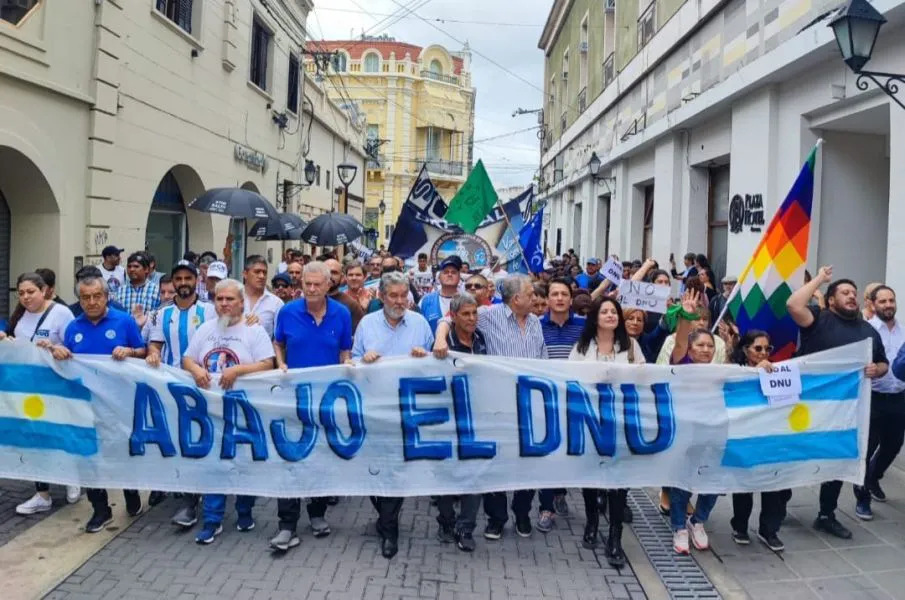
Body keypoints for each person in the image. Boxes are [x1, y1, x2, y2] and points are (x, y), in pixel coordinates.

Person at [434, 274, 547, 541]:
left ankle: (522, 513)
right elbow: (451, 317)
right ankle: (497, 519)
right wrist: (440, 338)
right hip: (497, 404)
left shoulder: (535, 323)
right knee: (496, 461)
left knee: (527, 461)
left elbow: (543, 357)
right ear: (516, 298)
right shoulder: (488, 314)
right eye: (531, 294)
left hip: (528, 404)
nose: (535, 298)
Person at [786, 266, 888, 539]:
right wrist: (820, 278)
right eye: (844, 292)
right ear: (831, 300)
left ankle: (826, 514)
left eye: (854, 293)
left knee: (838, 459)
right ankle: (777, 505)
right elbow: (793, 304)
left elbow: (883, 363)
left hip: (844, 411)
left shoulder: (868, 330)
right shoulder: (817, 320)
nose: (851, 296)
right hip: (807, 406)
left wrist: (877, 370)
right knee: (794, 455)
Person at [46, 275, 147, 533]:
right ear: (80, 300)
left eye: (97, 296)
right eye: (85, 297)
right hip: (84, 404)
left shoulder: (123, 321)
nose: (91, 302)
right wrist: (56, 351)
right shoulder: (74, 327)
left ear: (106, 296)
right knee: (88, 456)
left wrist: (129, 352)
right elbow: (65, 361)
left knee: (121, 450)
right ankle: (100, 510)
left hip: (118, 403)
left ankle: (131, 491)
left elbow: (143, 351)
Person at [183, 278, 275, 544]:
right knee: (214, 466)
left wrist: (237, 370)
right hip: (209, 412)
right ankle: (213, 520)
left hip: (244, 412)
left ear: (241, 302)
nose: (223, 304)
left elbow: (267, 363)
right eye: (219, 299)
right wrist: (196, 369)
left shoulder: (253, 331)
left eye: (229, 299)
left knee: (244, 464)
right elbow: (187, 358)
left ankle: (244, 511)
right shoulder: (205, 329)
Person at [270, 262, 353, 552]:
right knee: (290, 458)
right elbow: (278, 342)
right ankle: (286, 525)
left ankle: (317, 514)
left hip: (327, 400)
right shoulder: (288, 311)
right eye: (308, 285)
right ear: (301, 285)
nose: (313, 289)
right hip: (293, 398)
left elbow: (345, 350)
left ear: (330, 284)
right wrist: (280, 361)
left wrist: (347, 364)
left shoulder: (341, 314)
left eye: (318, 284)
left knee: (321, 458)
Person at [352, 271, 434, 559]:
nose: (400, 301)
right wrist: (363, 360)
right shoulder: (367, 324)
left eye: (404, 296)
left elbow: (435, 365)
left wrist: (424, 356)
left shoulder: (421, 324)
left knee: (397, 470)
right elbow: (352, 362)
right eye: (394, 296)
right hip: (374, 408)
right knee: (373, 469)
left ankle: (390, 531)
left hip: (407, 410)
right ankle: (384, 514)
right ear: (382, 297)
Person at [568, 297, 644, 566]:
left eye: (614, 311)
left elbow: (644, 379)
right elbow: (570, 380)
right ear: (595, 317)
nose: (611, 315)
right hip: (590, 420)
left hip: (622, 422)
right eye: (605, 311)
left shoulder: (631, 346)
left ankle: (615, 537)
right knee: (591, 475)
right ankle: (591, 521)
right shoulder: (582, 347)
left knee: (618, 480)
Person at [145, 261, 217, 525]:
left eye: (189, 278)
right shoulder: (161, 314)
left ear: (196, 280)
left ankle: (204, 493)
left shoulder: (209, 311)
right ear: (172, 283)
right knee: (181, 438)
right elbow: (154, 344)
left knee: (202, 437)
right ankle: (188, 498)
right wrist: (153, 353)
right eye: (179, 279)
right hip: (172, 385)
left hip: (205, 384)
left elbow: (230, 327)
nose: (184, 282)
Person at [5, 273, 81, 514]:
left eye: (31, 292)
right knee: (35, 438)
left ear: (44, 290)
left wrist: (56, 348)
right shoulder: (20, 314)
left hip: (57, 387)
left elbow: (75, 348)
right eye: (22, 292)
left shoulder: (61, 313)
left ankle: (72, 477)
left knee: (60, 434)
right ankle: (42, 494)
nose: (26, 297)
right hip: (29, 388)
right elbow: (18, 344)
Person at [434, 293, 487, 553]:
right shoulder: (443, 343)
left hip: (476, 418)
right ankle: (446, 521)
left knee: (474, 475)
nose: (472, 318)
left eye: (474, 313)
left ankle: (465, 528)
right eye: (465, 314)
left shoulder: (482, 340)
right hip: (446, 417)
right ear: (453, 316)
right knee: (446, 474)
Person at [668, 289, 720, 554]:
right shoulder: (681, 363)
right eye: (700, 345)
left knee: (713, 481)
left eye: (710, 346)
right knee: (682, 483)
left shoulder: (721, 372)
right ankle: (678, 527)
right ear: (690, 349)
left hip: (712, 434)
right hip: (684, 435)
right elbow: (678, 342)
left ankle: (697, 521)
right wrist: (686, 316)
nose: (705, 349)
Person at [728, 330, 789, 551]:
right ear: (746, 350)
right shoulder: (734, 371)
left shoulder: (778, 371)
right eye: (758, 348)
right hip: (744, 436)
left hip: (770, 437)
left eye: (767, 349)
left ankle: (769, 530)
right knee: (744, 484)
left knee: (772, 485)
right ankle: (740, 526)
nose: (764, 353)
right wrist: (755, 373)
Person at [857, 285, 905, 517]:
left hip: (899, 397)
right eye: (883, 301)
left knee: (894, 445)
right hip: (873, 398)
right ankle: (862, 498)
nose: (888, 305)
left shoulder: (903, 331)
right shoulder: (866, 331)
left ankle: (874, 477)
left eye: (891, 301)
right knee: (868, 449)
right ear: (872, 304)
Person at [656, 305, 726, 364]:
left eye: (705, 319)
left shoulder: (719, 341)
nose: (701, 323)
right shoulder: (672, 340)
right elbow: (663, 366)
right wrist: (686, 316)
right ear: (689, 350)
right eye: (697, 319)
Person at [242, 255, 284, 337]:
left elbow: (278, 340)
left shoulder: (276, 303)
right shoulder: (233, 298)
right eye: (257, 272)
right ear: (245, 274)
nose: (262, 276)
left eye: (264, 272)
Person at [420, 255, 462, 333]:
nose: (449, 274)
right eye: (446, 272)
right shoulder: (426, 300)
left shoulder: (466, 300)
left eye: (453, 272)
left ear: (459, 277)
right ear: (439, 277)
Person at [116, 252, 161, 318]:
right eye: (129, 266)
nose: (131, 269)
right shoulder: (120, 291)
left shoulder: (156, 291)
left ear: (146, 269)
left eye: (136, 266)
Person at [324, 258, 364, 331]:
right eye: (326, 272)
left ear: (342, 277)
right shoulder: (311, 301)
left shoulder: (352, 305)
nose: (330, 276)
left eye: (334, 272)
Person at [139, 275, 176, 343]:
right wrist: (140, 327)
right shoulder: (152, 315)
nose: (166, 296)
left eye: (171, 292)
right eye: (162, 292)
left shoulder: (186, 314)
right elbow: (141, 344)